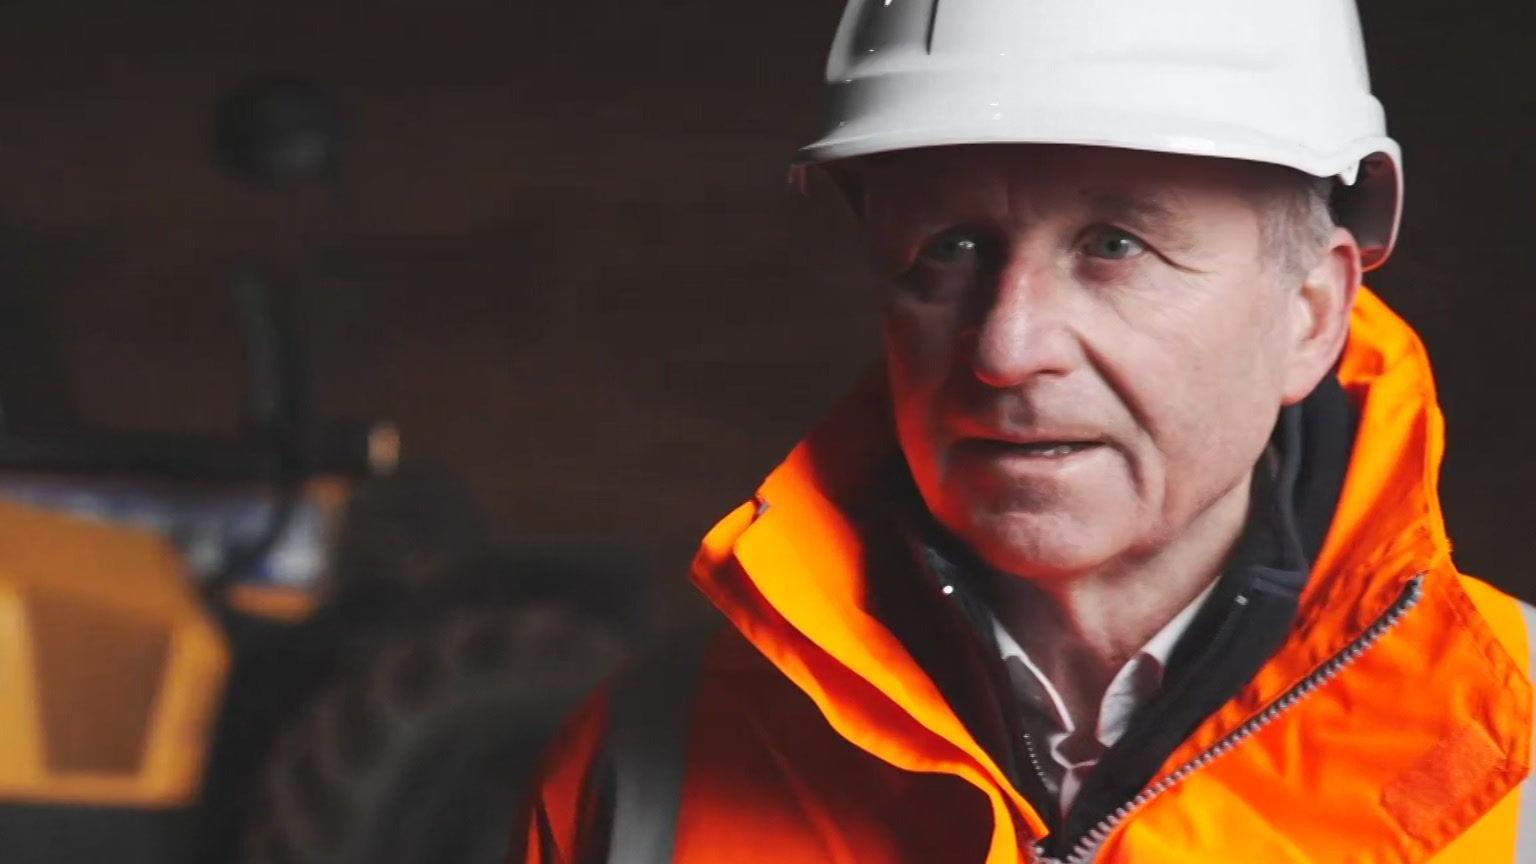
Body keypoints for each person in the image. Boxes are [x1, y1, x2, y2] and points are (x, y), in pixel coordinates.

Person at [516, 0, 1536, 860]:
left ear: (1311, 313)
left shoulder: (1516, 747)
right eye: (950, 244)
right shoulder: (648, 752)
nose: (1006, 348)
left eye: (1114, 245)